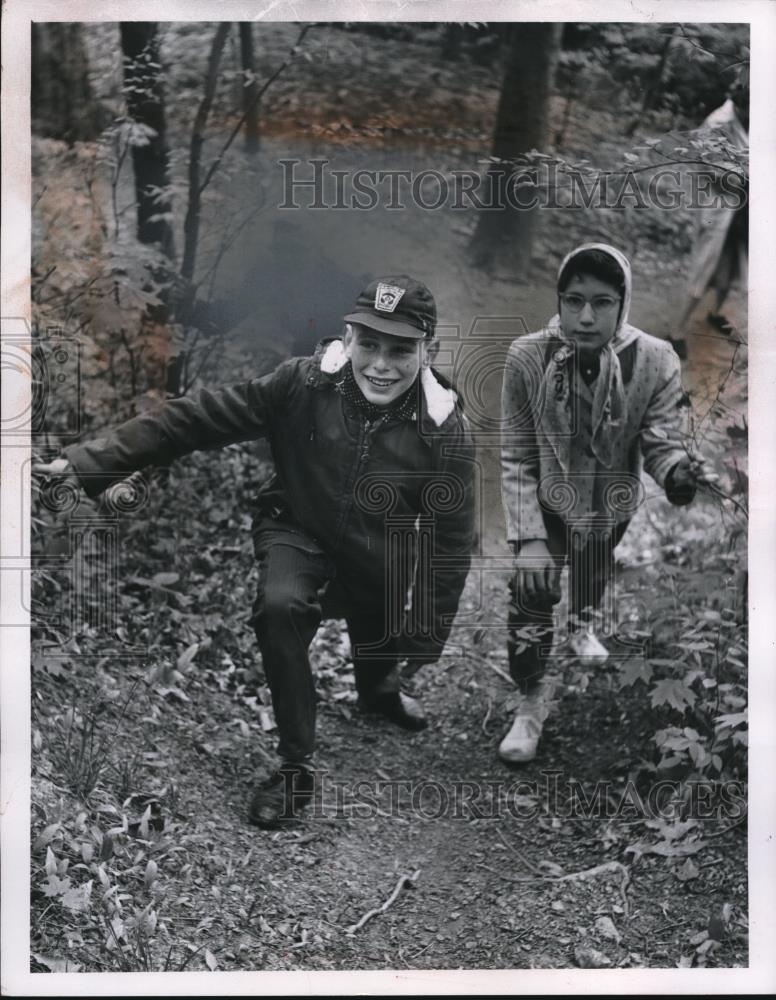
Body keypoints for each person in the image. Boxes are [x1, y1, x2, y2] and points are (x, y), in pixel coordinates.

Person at [35, 275, 476, 826]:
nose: (381, 364)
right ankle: (295, 767)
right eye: (369, 344)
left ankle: (380, 689)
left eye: (400, 349)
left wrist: (426, 632)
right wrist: (91, 463)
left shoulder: (444, 430)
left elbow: (453, 539)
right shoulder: (303, 384)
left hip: (382, 548)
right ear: (348, 338)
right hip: (297, 526)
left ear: (427, 350)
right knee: (280, 607)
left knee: (378, 631)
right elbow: (195, 418)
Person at [499, 243, 715, 765]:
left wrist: (679, 474)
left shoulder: (656, 358)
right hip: (550, 501)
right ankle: (529, 703)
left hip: (612, 499)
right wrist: (528, 537)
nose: (586, 316)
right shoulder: (527, 356)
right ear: (559, 300)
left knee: (594, 563)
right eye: (573, 301)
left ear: (623, 304)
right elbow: (516, 455)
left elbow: (661, 442)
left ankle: (582, 623)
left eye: (602, 302)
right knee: (530, 594)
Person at [677, 96, 748, 340]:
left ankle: (714, 313)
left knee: (730, 271)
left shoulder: (755, 119)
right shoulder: (718, 122)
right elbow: (713, 167)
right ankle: (675, 332)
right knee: (702, 267)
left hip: (741, 209)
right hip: (716, 206)